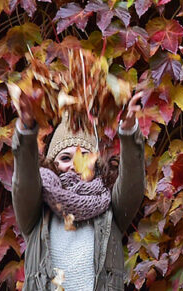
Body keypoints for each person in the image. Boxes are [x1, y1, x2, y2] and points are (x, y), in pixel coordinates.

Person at [11, 90, 146, 291]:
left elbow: (132, 184)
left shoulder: (111, 208)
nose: (74, 164)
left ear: (96, 166)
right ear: (52, 164)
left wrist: (128, 133)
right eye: (65, 158)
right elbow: (25, 181)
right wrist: (26, 131)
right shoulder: (36, 209)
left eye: (84, 157)